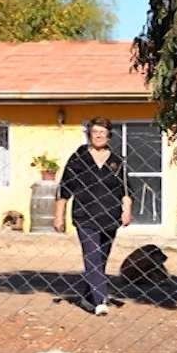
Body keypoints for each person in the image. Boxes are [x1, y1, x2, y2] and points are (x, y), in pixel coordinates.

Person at [54, 117, 132, 315]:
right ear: (89, 135)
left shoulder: (117, 161)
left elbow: (126, 190)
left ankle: (88, 297)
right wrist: (59, 216)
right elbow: (64, 188)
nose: (98, 135)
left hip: (110, 217)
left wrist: (126, 210)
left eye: (102, 132)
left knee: (101, 260)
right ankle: (100, 300)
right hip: (85, 216)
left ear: (109, 136)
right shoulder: (78, 159)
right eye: (95, 132)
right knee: (92, 257)